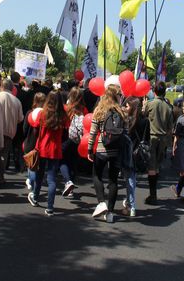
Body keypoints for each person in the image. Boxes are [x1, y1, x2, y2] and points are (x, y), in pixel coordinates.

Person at [88, 85, 127, 222]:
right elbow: (125, 131)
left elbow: (93, 133)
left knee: (97, 174)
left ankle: (101, 202)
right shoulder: (121, 111)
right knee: (113, 180)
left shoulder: (99, 110)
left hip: (101, 149)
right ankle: (110, 213)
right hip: (116, 151)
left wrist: (89, 149)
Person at [28, 90, 70, 217]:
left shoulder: (42, 113)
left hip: (41, 148)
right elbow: (65, 133)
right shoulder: (63, 116)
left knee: (39, 175)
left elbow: (35, 129)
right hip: (55, 149)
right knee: (52, 179)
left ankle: (35, 197)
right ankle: (50, 207)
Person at [142, 81, 174, 205]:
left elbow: (142, 116)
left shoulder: (150, 104)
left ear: (154, 91)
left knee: (151, 166)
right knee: (157, 166)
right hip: (163, 138)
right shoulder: (168, 107)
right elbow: (170, 127)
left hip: (152, 137)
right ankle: (153, 192)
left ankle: (153, 194)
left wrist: (144, 105)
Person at [0, 79, 24, 187]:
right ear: (12, 88)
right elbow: (20, 119)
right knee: (3, 156)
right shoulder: (17, 101)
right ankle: (0, 177)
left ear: (1, 86)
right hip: (9, 132)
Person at [120, 96, 147, 217]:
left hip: (127, 152)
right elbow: (146, 138)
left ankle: (131, 205)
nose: (125, 107)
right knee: (132, 179)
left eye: (127, 105)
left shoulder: (127, 120)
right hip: (138, 152)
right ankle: (129, 202)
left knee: (129, 179)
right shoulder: (144, 120)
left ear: (132, 107)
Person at [61, 87, 87, 197]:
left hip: (66, 138)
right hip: (78, 140)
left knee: (62, 161)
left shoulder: (66, 108)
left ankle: (68, 181)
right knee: (73, 163)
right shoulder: (84, 109)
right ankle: (70, 188)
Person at [23, 92, 46, 191]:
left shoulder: (30, 113)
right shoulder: (46, 114)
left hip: (30, 142)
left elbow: (24, 129)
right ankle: (35, 183)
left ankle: (31, 182)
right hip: (41, 144)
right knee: (39, 166)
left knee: (31, 164)